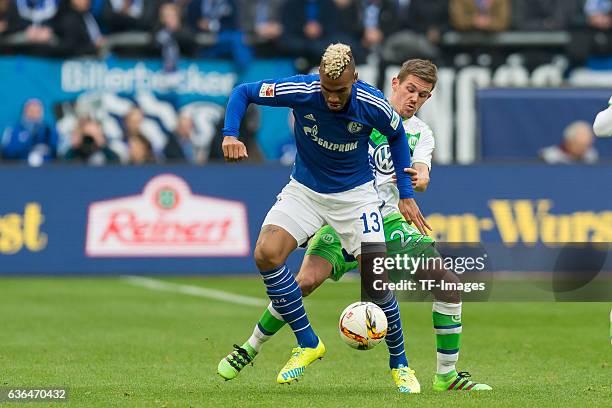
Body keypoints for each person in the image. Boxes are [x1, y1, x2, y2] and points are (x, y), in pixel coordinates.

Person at [218, 59, 492, 393]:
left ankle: (444, 374)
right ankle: (252, 346)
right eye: (410, 90)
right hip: (333, 210)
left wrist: (417, 180)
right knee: (303, 282)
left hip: (386, 219)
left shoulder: (420, 133)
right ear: (395, 83)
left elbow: (421, 172)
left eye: (422, 95)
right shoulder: (363, 107)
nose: (414, 99)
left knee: (446, 283)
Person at [1, 98, 58, 165]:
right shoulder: (14, 130)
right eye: (31, 111)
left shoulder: (48, 130)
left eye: (37, 111)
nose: (34, 114)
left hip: (46, 169)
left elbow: (56, 150)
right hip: (19, 168)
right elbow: (7, 152)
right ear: (25, 112)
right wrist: (28, 141)